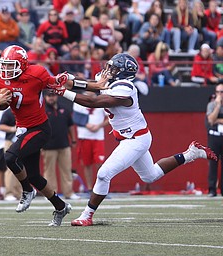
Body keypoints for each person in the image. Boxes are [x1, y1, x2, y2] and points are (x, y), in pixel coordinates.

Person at [47, 52, 217, 226]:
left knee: (104, 174)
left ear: (123, 72)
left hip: (136, 139)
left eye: (113, 68)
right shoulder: (109, 81)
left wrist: (64, 92)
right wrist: (67, 80)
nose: (108, 70)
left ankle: (87, 215)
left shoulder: (125, 88)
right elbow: (92, 85)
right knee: (150, 176)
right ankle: (190, 154)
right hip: (131, 137)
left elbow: (94, 101)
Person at [0, 45, 73, 226]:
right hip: (22, 129)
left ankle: (27, 191)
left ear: (23, 64)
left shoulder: (36, 74)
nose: (7, 69)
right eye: (5, 65)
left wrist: (90, 85)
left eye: (11, 65)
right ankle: (60, 207)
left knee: (10, 157)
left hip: (40, 128)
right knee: (33, 175)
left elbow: (57, 82)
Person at [42, 91, 80, 200]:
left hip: (64, 144)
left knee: (66, 170)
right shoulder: (42, 111)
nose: (51, 98)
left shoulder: (65, 110)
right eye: (49, 95)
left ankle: (69, 192)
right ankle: (51, 193)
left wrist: (73, 140)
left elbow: (70, 126)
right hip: (48, 146)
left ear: (56, 97)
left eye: (53, 95)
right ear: (45, 97)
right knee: (49, 172)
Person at [73, 91, 108, 192]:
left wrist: (99, 126)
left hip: (98, 137)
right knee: (87, 163)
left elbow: (109, 117)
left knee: (99, 163)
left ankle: (101, 188)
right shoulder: (79, 99)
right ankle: (89, 188)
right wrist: (86, 124)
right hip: (84, 136)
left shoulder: (101, 100)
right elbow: (76, 117)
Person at [0, 107, 22, 201]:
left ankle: (18, 192)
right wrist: (13, 129)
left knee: (21, 167)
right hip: (11, 142)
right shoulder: (8, 113)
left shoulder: (24, 111)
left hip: (21, 141)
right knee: (10, 167)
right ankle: (9, 192)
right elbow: (1, 126)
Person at [206, 84, 223, 197]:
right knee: (213, 162)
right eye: (218, 92)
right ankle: (212, 189)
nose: (220, 94)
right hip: (214, 136)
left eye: (222, 92)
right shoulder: (211, 104)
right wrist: (217, 105)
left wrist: (218, 120)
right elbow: (211, 120)